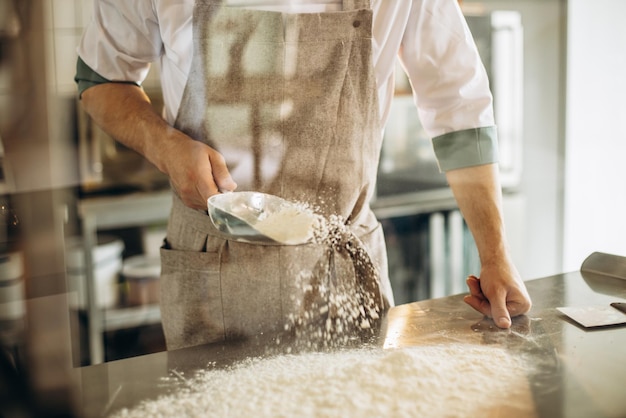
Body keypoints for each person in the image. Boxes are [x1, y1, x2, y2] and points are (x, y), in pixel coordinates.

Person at [75, 0, 531, 350]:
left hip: (342, 267)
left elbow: (458, 105)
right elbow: (100, 79)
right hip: (215, 269)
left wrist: (494, 254)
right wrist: (167, 147)